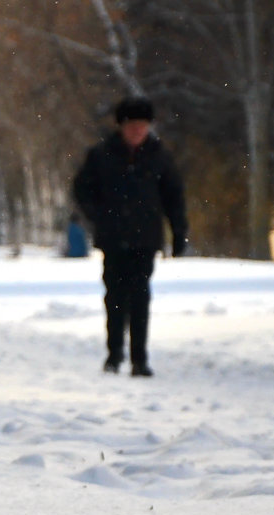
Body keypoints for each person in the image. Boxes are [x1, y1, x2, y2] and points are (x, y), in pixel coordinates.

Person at [73, 96, 187, 377]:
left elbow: (174, 197)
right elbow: (82, 190)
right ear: (121, 126)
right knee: (114, 296)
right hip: (112, 238)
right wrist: (98, 215)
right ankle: (114, 354)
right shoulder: (101, 155)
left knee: (140, 296)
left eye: (143, 125)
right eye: (132, 125)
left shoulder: (160, 157)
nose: (137, 131)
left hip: (146, 238)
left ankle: (139, 358)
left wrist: (179, 231)